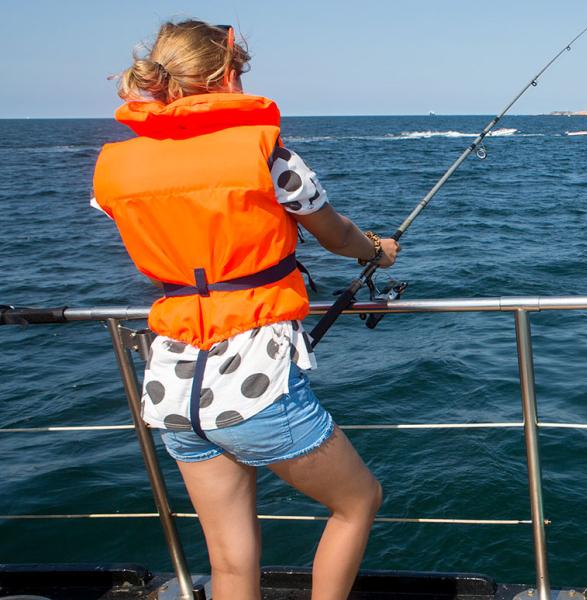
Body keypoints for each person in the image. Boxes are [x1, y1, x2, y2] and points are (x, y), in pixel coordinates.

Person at [91, 20, 400, 600]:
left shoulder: (115, 167)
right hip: (252, 384)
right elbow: (335, 236)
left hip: (173, 388)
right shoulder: (265, 151)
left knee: (231, 562)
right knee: (358, 502)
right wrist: (377, 252)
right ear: (227, 74)